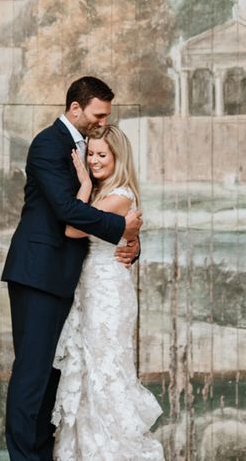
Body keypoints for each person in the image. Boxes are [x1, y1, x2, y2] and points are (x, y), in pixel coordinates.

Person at [1, 77, 143, 461]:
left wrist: (130, 241)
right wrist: (121, 229)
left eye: (106, 117)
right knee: (33, 375)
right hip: (39, 274)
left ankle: (45, 453)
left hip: (70, 281)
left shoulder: (84, 150)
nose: (102, 122)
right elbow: (68, 213)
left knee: (55, 377)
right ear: (75, 109)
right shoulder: (48, 144)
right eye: (98, 114)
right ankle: (24, 457)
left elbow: (103, 208)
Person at [52, 125, 164, 460]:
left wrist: (84, 184)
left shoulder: (120, 196)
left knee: (106, 370)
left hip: (108, 291)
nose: (95, 160)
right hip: (89, 288)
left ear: (118, 158)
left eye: (103, 155)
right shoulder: (102, 194)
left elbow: (73, 227)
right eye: (92, 155)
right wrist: (87, 187)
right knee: (87, 370)